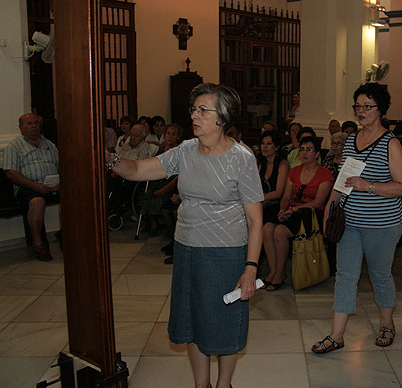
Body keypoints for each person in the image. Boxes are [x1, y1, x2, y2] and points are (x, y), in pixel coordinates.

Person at [105, 83, 264, 388]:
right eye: (193, 109)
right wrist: (110, 158)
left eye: (203, 110)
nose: (194, 115)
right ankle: (201, 384)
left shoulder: (241, 158)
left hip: (225, 253)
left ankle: (224, 384)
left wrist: (250, 268)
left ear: (222, 117)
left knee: (223, 321)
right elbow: (137, 170)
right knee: (192, 319)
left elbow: (255, 220)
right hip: (187, 248)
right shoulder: (186, 151)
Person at [311, 83, 402, 353]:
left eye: (368, 106)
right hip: (350, 222)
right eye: (358, 106)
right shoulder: (351, 140)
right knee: (345, 275)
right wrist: (331, 206)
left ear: (381, 109)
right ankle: (337, 335)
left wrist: (369, 186)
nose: (361, 111)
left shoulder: (391, 143)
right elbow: (343, 180)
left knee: (380, 274)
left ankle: (387, 324)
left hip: (383, 224)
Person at [262, 136, 332, 291]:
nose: (304, 153)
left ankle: (280, 273)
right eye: (302, 149)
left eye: (309, 149)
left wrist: (293, 210)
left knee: (279, 231)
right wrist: (282, 210)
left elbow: (318, 202)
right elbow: (286, 197)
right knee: (267, 228)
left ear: (317, 154)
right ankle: (272, 270)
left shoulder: (324, 174)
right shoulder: (294, 172)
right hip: (291, 211)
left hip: (311, 214)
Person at [3, 113, 59, 261]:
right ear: (21, 128)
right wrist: (36, 186)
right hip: (27, 187)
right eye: (29, 124)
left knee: (75, 195)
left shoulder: (49, 145)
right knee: (37, 202)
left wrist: (59, 183)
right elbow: (11, 174)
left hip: (51, 186)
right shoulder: (14, 146)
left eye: (36, 123)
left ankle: (66, 234)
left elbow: (61, 166)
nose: (33, 126)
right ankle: (38, 244)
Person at [139, 124, 182, 237]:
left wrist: (163, 189)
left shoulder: (180, 152)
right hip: (159, 180)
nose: (170, 136)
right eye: (168, 133)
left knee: (161, 200)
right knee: (146, 197)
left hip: (173, 183)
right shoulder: (161, 150)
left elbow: (179, 176)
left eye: (173, 134)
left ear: (178, 137)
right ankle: (154, 225)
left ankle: (172, 233)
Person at [257, 131, 289, 225]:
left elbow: (279, 193)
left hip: (276, 204)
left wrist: (260, 198)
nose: (264, 146)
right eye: (262, 143)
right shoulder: (261, 164)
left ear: (277, 147)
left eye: (269, 143)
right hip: (260, 202)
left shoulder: (283, 164)